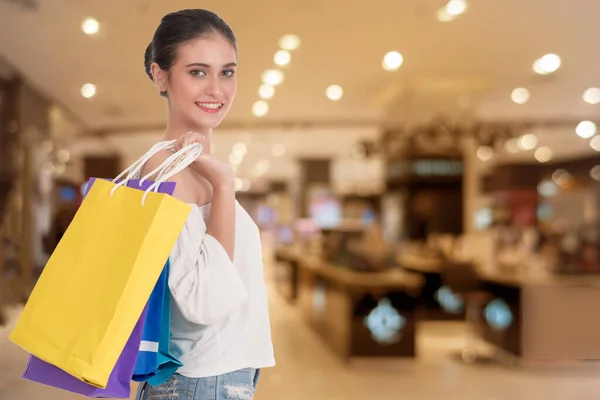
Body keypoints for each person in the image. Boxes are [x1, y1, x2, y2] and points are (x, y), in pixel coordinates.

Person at [135, 9, 275, 400]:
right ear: (160, 75)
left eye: (227, 72)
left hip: (217, 377)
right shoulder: (166, 172)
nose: (217, 89)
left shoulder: (194, 167)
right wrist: (225, 184)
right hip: (198, 382)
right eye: (198, 71)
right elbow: (204, 301)